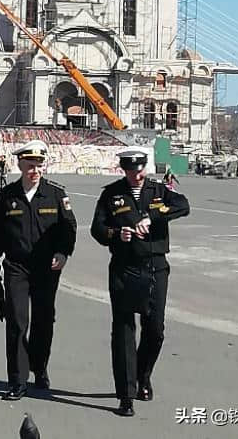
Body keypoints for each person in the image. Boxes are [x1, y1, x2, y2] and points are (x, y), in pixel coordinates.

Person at [90, 148, 190, 417]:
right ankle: (126, 395)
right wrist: (116, 233)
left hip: (156, 267)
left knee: (155, 329)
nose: (138, 175)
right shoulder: (111, 194)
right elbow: (97, 229)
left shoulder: (159, 191)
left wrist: (153, 217)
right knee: (123, 331)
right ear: (123, 169)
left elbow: (184, 206)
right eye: (132, 170)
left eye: (141, 169)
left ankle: (143, 376)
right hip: (124, 268)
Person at [0, 140, 77, 401]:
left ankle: (40, 368)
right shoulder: (7, 195)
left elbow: (69, 228)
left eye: (38, 166)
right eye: (29, 166)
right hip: (16, 266)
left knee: (43, 321)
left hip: (47, 268)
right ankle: (16, 380)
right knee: (16, 321)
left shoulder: (56, 195)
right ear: (20, 165)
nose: (34, 171)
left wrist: (63, 252)